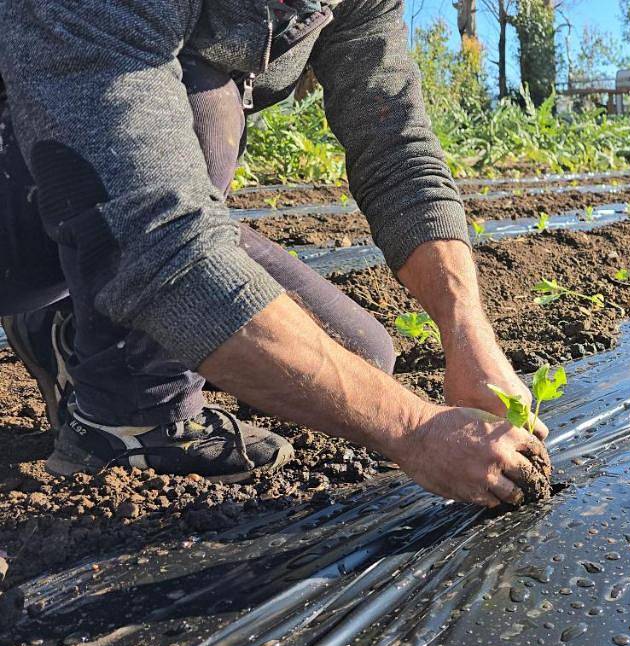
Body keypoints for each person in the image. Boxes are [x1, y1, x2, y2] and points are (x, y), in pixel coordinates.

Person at [0, 0, 549, 508]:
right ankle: (127, 420)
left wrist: (468, 337)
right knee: (205, 110)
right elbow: (159, 238)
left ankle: (66, 320)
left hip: (128, 189)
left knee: (362, 355)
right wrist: (413, 430)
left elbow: (398, 154)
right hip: (30, 192)